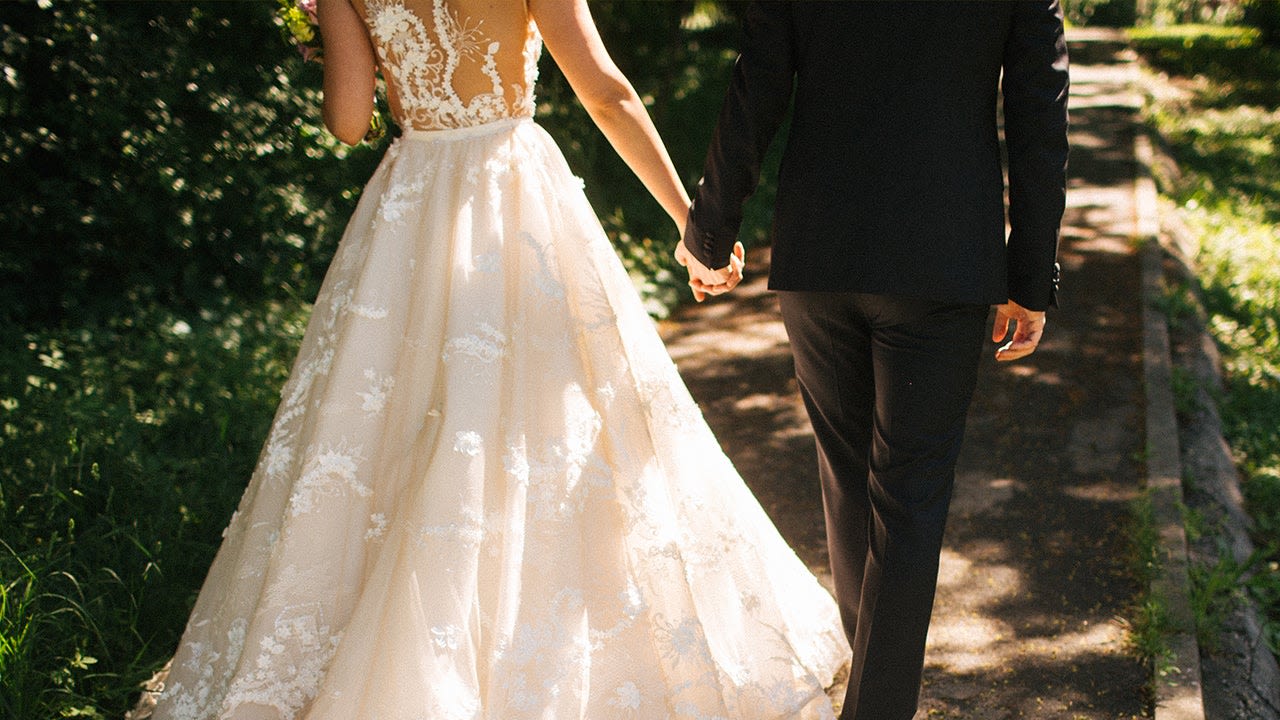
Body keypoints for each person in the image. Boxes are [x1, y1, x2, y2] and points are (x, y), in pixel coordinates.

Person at [147, 1, 850, 718]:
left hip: (411, 207)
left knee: (391, 428)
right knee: (551, 419)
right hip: (513, 195)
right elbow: (605, 92)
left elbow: (350, 122)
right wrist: (690, 222)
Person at [677, 2, 1070, 719]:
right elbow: (1038, 111)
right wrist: (1030, 274)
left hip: (820, 245)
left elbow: (758, 80)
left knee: (851, 480)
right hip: (942, 255)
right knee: (908, 497)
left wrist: (711, 229)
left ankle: (872, 688)